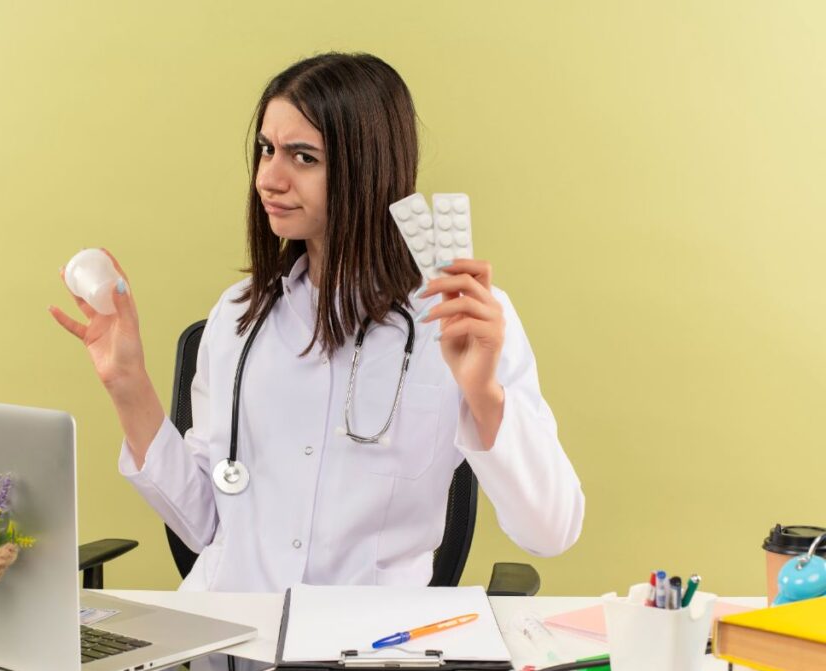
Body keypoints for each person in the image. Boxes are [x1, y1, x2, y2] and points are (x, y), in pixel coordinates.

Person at [50, 52, 584, 592]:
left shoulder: (460, 320)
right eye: (267, 150)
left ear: (368, 168)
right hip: (234, 649)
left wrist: (484, 395)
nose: (269, 179)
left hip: (371, 656)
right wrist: (128, 385)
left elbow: (552, 530)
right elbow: (205, 525)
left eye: (304, 157)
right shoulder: (238, 316)